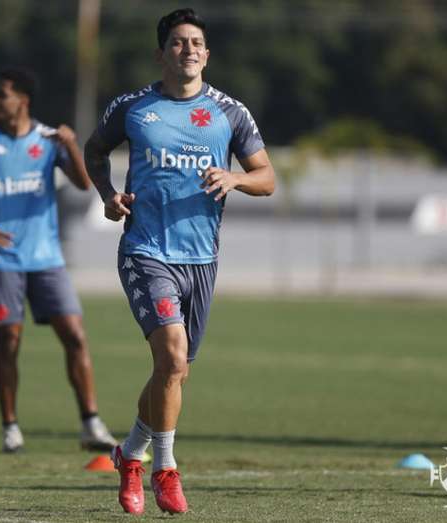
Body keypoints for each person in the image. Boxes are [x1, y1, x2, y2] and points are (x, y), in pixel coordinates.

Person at [84, 8, 275, 514]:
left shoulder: (230, 113)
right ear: (161, 53)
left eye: (196, 43)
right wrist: (107, 194)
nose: (187, 49)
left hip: (202, 258)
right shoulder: (132, 107)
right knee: (170, 357)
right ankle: (165, 470)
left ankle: (129, 455)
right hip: (145, 250)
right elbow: (94, 150)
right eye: (177, 42)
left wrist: (235, 178)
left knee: (174, 373)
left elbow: (268, 178)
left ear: (207, 54)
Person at [0, 67, 118, 453]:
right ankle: (10, 428)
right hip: (3, 260)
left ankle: (91, 424)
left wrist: (69, 145)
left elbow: (85, 184)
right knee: (8, 341)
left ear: (23, 100)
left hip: (47, 258)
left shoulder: (48, 140)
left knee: (75, 336)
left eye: (2, 95)